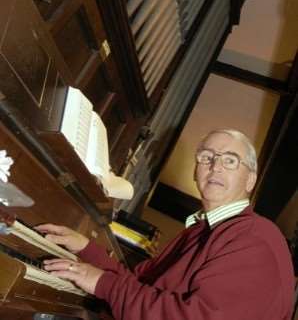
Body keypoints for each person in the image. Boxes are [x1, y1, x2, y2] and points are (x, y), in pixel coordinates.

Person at [36, 129, 295, 320]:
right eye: (206, 157)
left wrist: (103, 283)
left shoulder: (254, 236)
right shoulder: (199, 231)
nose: (215, 166)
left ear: (250, 180)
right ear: (196, 172)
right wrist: (86, 248)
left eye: (230, 160)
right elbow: (138, 285)